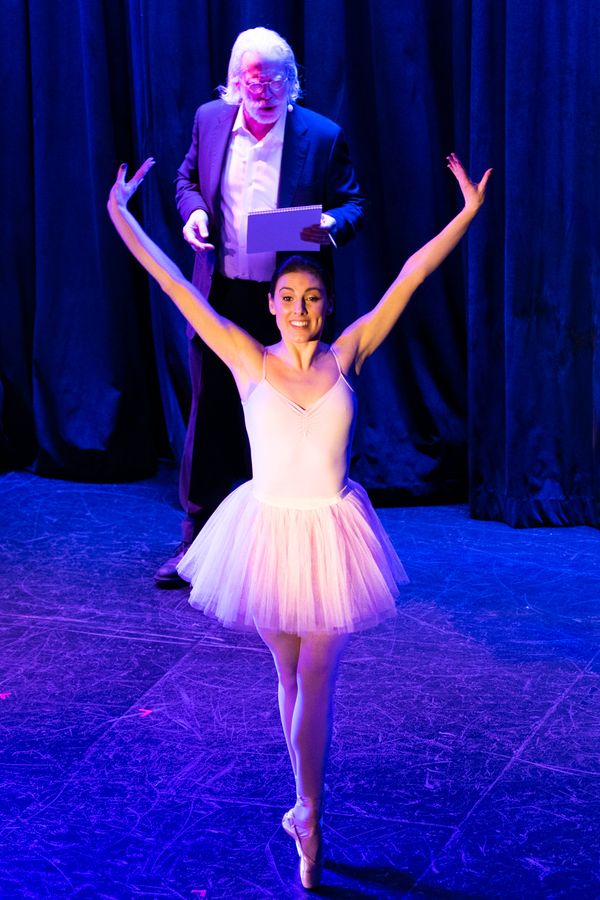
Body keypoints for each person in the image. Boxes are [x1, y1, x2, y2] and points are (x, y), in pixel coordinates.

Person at [108, 152, 491, 889]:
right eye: (288, 297)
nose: (301, 309)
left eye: (313, 297)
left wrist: (467, 215)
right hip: (267, 534)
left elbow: (410, 275)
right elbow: (168, 283)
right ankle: (301, 808)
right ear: (274, 305)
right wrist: (123, 217)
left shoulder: (348, 354)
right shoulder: (247, 358)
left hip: (332, 534)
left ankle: (310, 812)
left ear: (326, 303)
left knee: (316, 673)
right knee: (287, 677)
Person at [155, 26, 366, 586]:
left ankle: (272, 555)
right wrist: (194, 211)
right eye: (253, 79)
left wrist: (327, 224)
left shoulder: (321, 136)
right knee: (210, 418)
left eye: (275, 79)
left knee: (274, 427)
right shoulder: (209, 120)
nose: (264, 89)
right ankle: (195, 547)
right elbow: (185, 179)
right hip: (221, 294)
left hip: (286, 307)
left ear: (291, 81)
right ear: (236, 81)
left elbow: (353, 204)